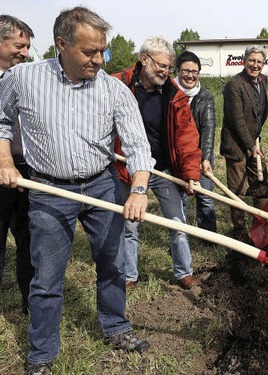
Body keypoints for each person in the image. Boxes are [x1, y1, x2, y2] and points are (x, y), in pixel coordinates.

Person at [0, 7, 155, 373]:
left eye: (102, 51)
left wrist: (138, 188)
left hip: (102, 185)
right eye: (89, 52)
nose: (99, 60)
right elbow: (1, 120)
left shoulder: (113, 89)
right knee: (47, 275)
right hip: (49, 189)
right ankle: (42, 354)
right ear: (61, 44)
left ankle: (116, 327)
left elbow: (136, 145)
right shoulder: (24, 79)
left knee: (112, 261)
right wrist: (5, 161)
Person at [114, 37, 202, 290]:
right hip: (127, 168)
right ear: (144, 60)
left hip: (161, 169)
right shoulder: (119, 85)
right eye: (161, 65)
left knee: (177, 222)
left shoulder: (173, 95)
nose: (165, 71)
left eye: (168, 66)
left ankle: (183, 272)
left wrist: (190, 173)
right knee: (129, 224)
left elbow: (186, 136)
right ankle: (129, 275)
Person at [0, 14, 35, 315]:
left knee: (27, 236)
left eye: (27, 47)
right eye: (19, 45)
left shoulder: (26, 80)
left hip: (24, 169)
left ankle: (30, 300)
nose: (25, 53)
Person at [220, 45, 268, 242]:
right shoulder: (234, 85)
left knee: (261, 184)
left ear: (263, 64)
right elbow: (237, 120)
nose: (255, 65)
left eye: (259, 62)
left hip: (254, 142)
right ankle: (240, 230)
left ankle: (264, 222)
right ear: (244, 61)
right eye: (251, 60)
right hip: (236, 145)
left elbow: (262, 112)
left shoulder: (260, 84)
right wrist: (251, 146)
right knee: (238, 190)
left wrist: (256, 140)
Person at [175, 51, 218, 233]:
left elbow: (209, 128)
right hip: (176, 156)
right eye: (186, 71)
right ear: (178, 71)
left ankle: (208, 236)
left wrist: (206, 157)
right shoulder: (169, 93)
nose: (190, 76)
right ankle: (180, 236)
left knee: (206, 196)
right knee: (179, 199)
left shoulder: (205, 96)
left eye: (195, 71)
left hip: (200, 154)